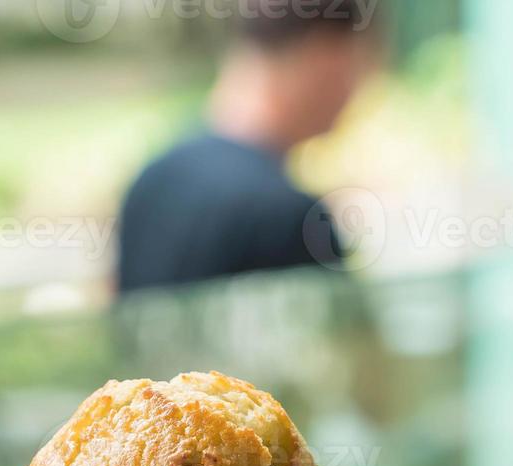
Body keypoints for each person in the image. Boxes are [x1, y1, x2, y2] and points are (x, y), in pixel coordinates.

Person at [117, 0, 382, 294]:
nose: (358, 87)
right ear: (323, 56)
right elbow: (344, 337)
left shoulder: (153, 179)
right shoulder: (288, 219)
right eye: (357, 62)